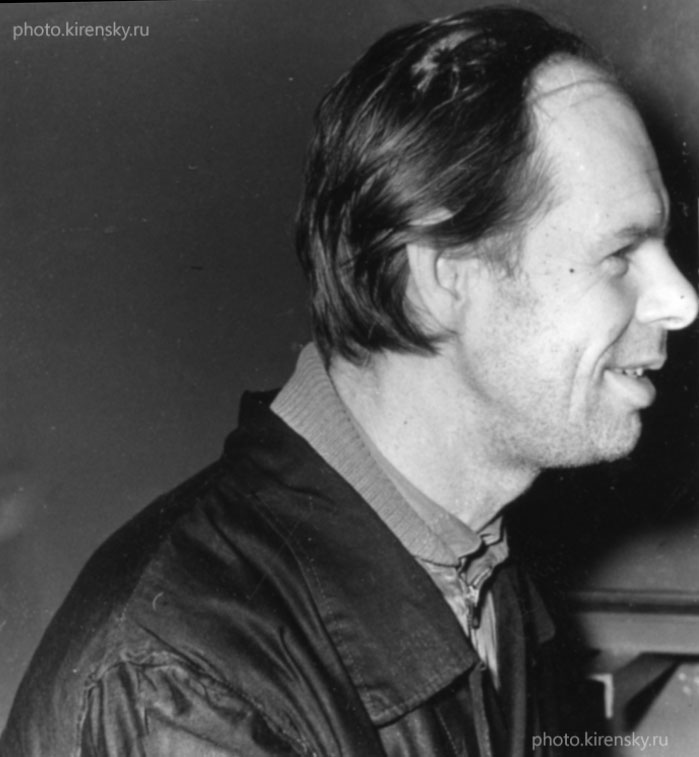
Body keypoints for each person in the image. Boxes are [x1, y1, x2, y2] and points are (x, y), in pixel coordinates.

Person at [2, 6, 697, 756]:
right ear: (441, 280)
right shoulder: (186, 679)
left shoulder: (481, 568)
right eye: (620, 253)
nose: (682, 300)